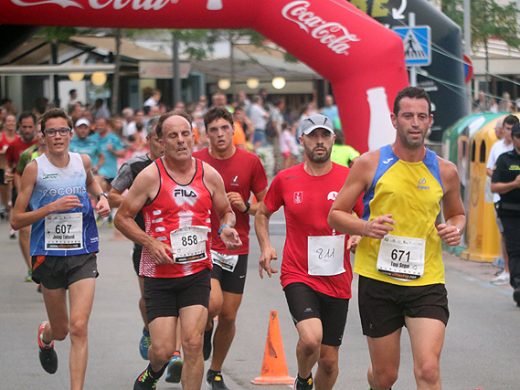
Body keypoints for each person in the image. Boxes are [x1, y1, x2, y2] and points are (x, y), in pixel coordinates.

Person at [328, 86, 465, 390]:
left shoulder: (446, 171)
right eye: (407, 116)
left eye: (421, 116)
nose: (415, 122)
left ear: (430, 121)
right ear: (394, 119)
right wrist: (365, 227)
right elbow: (336, 213)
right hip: (379, 282)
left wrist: (455, 228)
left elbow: (457, 214)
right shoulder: (369, 163)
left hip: (426, 281)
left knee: (428, 369)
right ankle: (376, 378)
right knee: (385, 376)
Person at [114, 111, 242, 390]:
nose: (181, 141)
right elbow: (121, 218)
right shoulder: (149, 176)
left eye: (185, 134)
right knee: (161, 350)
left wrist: (226, 227)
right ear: (161, 141)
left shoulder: (208, 174)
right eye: (173, 135)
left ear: (193, 136)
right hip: (159, 276)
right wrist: (151, 243)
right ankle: (152, 371)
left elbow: (225, 211)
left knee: (193, 344)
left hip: (196, 272)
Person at [255, 114, 362, 390]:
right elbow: (262, 213)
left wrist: (359, 235)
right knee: (311, 338)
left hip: (337, 278)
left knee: (328, 360)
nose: (319, 141)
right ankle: (303, 378)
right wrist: (266, 245)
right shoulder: (286, 179)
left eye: (324, 135)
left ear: (333, 139)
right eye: (313, 136)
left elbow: (366, 218)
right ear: (301, 139)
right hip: (298, 273)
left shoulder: (348, 178)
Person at [10, 108, 110, 390]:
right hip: (48, 255)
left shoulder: (83, 161)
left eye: (63, 131)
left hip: (82, 252)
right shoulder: (35, 168)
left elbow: (91, 182)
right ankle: (46, 334)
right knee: (63, 330)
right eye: (51, 131)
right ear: (43, 136)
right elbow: (17, 220)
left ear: (70, 133)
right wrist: (50, 208)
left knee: (79, 327)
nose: (58, 136)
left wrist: (101, 198)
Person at [193, 107, 268, 390]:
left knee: (229, 315)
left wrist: (246, 206)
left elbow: (266, 205)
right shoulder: (197, 160)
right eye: (214, 130)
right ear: (206, 133)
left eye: (225, 128)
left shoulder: (250, 162)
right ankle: (205, 328)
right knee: (213, 304)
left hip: (236, 247)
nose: (221, 135)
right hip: (204, 244)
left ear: (233, 129)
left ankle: (215, 370)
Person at [486, 115, 519, 285]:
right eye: (506, 128)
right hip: (503, 202)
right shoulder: (500, 152)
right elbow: (490, 172)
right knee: (506, 237)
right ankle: (509, 271)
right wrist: (510, 180)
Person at [7, 112, 39, 281]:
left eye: (30, 127)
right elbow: (12, 169)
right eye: (24, 127)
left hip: (43, 192)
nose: (27, 130)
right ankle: (32, 269)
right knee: (25, 231)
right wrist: (20, 190)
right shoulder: (16, 147)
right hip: (23, 191)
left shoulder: (43, 143)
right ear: (20, 127)